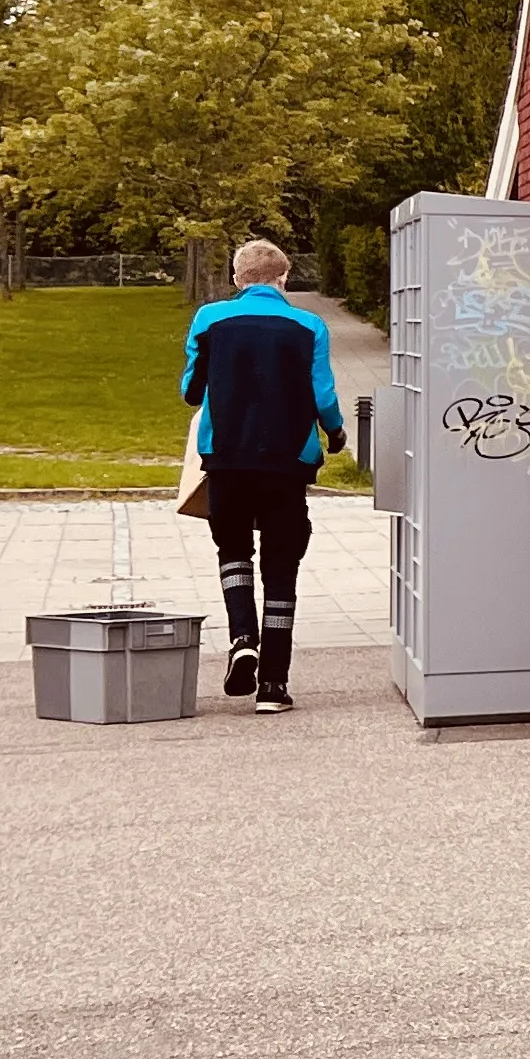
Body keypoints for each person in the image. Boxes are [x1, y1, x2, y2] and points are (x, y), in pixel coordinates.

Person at [183, 239, 345, 714]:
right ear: (283, 278)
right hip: (287, 464)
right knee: (281, 568)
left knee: (233, 551)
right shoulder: (309, 325)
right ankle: (273, 684)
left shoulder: (210, 320)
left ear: (237, 279)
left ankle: (241, 639)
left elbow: (191, 390)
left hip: (227, 461)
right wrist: (335, 435)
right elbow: (324, 395)